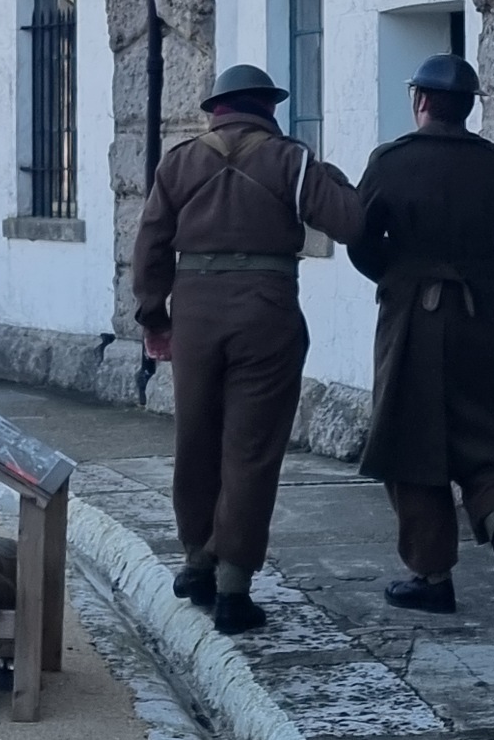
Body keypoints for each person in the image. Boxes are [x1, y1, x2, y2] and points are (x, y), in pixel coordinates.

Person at [132, 63, 364, 634]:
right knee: (252, 448)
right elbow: (351, 223)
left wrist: (153, 318)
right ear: (267, 108)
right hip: (266, 308)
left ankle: (196, 559)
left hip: (194, 311)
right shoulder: (290, 160)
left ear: (216, 109)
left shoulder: (179, 162)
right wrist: (324, 172)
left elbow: (150, 245)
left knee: (195, 437)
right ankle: (234, 584)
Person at [348, 53, 494, 614]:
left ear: (420, 100)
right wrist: (488, 279)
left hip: (410, 321)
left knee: (412, 442)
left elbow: (359, 240)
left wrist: (398, 277)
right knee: (484, 432)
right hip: (475, 317)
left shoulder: (391, 161)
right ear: (467, 108)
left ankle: (432, 575)